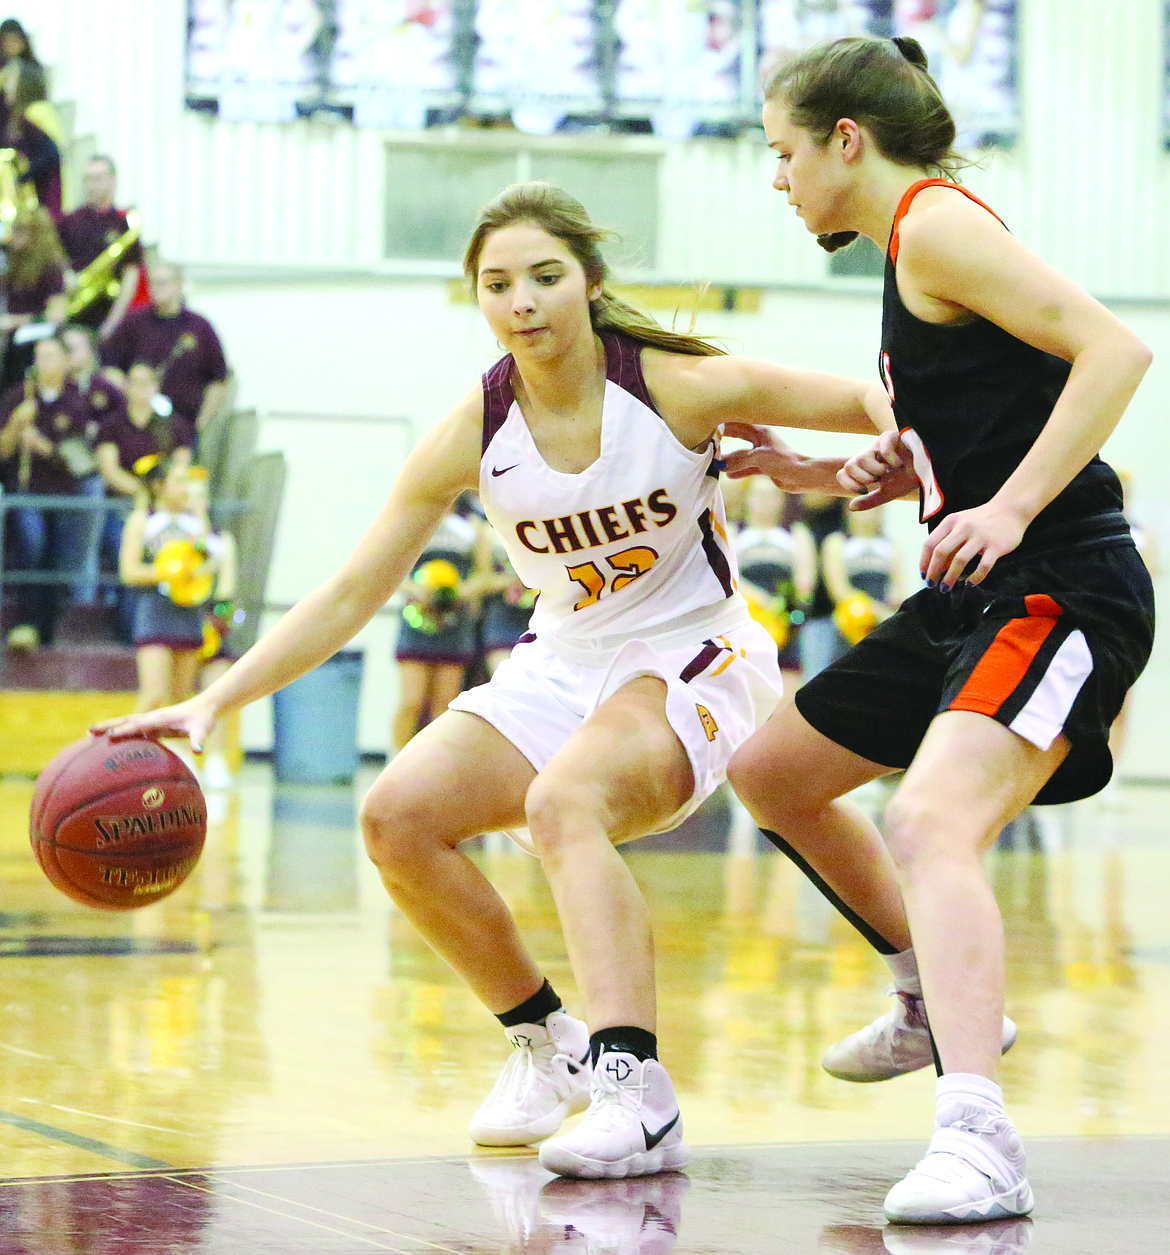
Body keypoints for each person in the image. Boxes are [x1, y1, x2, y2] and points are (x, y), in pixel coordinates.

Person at [94, 180, 890, 1181]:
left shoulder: (674, 385)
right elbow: (348, 593)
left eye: (546, 277)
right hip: (563, 659)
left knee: (564, 802)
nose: (524, 300)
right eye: (498, 282)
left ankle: (637, 1091)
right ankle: (546, 1041)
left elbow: (861, 398)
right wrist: (216, 699)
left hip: (692, 652)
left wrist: (903, 460)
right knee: (396, 818)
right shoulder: (476, 429)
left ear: (589, 284)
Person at [724, 36, 1154, 1225]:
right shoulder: (908, 245)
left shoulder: (934, 225)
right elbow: (983, 408)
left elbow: (1117, 350)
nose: (779, 180)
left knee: (928, 819)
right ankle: (931, 997)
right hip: (972, 588)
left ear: (844, 143)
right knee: (774, 772)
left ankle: (980, 1136)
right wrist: (855, 466)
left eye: (784, 153)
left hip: (1060, 579)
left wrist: (1011, 503)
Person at [0, 333, 92, 650]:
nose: (43, 363)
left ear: (66, 361)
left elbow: (79, 460)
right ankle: (25, 623)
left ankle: (47, 629)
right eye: (39, 356)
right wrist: (14, 425)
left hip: (63, 496)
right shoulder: (19, 398)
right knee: (31, 545)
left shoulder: (78, 402)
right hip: (27, 492)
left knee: (56, 561)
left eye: (51, 356)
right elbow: (3, 449)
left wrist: (43, 447)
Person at [119, 457, 232, 714]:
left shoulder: (196, 524)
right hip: (155, 610)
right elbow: (129, 571)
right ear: (159, 486)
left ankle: (176, 752)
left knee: (181, 698)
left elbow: (209, 561)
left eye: (189, 482)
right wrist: (169, 572)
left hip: (189, 611)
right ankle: (128, 749)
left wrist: (201, 517)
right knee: (154, 696)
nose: (186, 489)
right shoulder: (142, 521)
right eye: (180, 482)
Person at [391, 494, 482, 750]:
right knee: (411, 702)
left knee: (445, 705)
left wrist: (461, 590)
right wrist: (416, 589)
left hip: (455, 622)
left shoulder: (474, 525)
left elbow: (482, 574)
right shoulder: (412, 522)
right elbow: (393, 571)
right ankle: (396, 763)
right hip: (416, 620)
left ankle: (434, 769)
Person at [100, 261, 230, 436]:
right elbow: (108, 367)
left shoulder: (199, 327)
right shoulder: (133, 323)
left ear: (179, 284)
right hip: (137, 426)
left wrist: (202, 422)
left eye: (162, 283)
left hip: (184, 424)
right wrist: (134, 391)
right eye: (152, 283)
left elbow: (218, 380)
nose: (156, 289)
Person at [732, 476, 814, 695]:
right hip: (745, 617)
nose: (765, 501)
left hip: (783, 618)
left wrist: (783, 606)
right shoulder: (734, 532)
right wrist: (758, 598)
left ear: (781, 500)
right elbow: (726, 576)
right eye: (759, 494)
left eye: (772, 495)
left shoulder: (795, 533)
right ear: (747, 498)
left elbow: (805, 580)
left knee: (786, 683)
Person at [56, 155, 145, 338]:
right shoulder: (68, 221)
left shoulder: (124, 224)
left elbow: (131, 276)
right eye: (87, 179)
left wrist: (113, 323)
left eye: (97, 179)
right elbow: (57, 260)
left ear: (113, 181)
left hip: (109, 312)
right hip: (74, 312)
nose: (91, 185)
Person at [0, 204, 67, 391]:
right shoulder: (13, 261)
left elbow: (57, 314)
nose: (14, 235)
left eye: (21, 231)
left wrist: (16, 321)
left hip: (33, 339)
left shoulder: (51, 267)